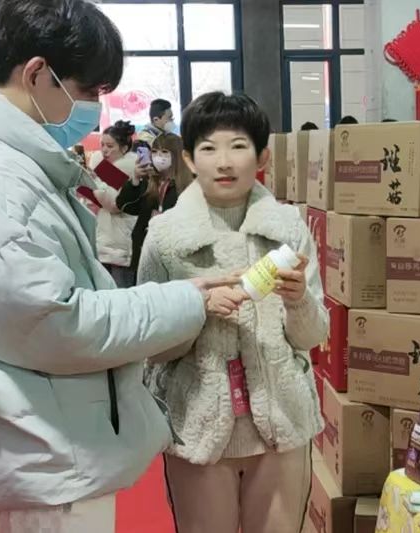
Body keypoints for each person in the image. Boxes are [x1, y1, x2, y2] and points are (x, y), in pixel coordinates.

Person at [0, 1, 237, 531]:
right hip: (47, 453)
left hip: (45, 437)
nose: (95, 106)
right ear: (37, 74)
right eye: (89, 90)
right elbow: (53, 322)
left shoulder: (2, 162)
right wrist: (186, 301)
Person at [139, 91, 327, 533]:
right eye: (208, 148)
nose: (224, 162)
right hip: (197, 425)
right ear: (189, 159)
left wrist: (298, 299)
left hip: (281, 422)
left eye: (238, 146)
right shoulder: (164, 237)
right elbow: (151, 344)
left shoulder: (288, 229)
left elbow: (312, 335)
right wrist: (196, 310)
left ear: (261, 156)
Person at [117, 132, 192, 275]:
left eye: (164, 152)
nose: (158, 156)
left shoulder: (187, 186)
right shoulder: (149, 182)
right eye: (155, 152)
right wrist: (135, 180)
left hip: (174, 256)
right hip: (144, 250)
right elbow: (125, 206)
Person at [88, 120, 139, 286]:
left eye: (110, 146)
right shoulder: (105, 167)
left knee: (122, 290)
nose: (104, 150)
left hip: (121, 241)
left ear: (124, 148)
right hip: (107, 238)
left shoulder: (128, 167)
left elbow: (112, 203)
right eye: (102, 145)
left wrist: (93, 181)